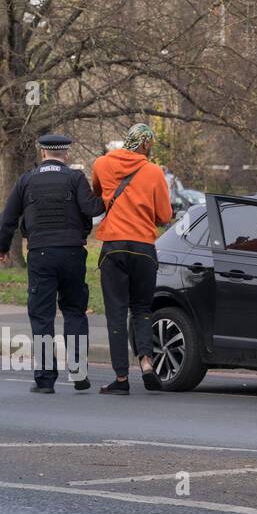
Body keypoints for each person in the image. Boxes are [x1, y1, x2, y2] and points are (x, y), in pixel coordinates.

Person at [0, 134, 105, 393]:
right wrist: (109, 192)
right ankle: (78, 373)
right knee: (75, 312)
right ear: (64, 155)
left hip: (41, 254)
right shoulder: (75, 178)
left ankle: (45, 379)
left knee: (41, 315)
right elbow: (92, 209)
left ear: (43, 153)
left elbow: (8, 218)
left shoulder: (27, 180)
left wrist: (2, 248)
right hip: (72, 253)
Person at [91, 123, 173, 394]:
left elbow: (98, 195)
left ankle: (121, 379)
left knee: (115, 312)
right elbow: (164, 215)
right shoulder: (153, 171)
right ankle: (147, 363)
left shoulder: (102, 164)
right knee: (141, 309)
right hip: (143, 248)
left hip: (113, 246)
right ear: (146, 144)